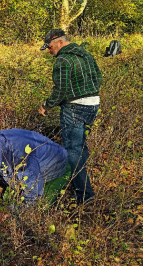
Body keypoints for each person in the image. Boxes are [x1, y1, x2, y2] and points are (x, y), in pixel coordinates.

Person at [38, 28, 102, 204]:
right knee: (80, 148)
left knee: (72, 152)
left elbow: (61, 90)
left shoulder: (63, 59)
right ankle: (82, 188)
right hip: (93, 105)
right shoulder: (86, 54)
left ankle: (85, 196)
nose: (50, 52)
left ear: (59, 42)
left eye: (50, 47)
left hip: (74, 108)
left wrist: (46, 105)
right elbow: (98, 77)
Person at [0, 129, 68, 208]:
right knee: (8, 199)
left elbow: (32, 186)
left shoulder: (19, 153)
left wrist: (15, 210)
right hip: (31, 163)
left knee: (41, 205)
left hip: (55, 162)